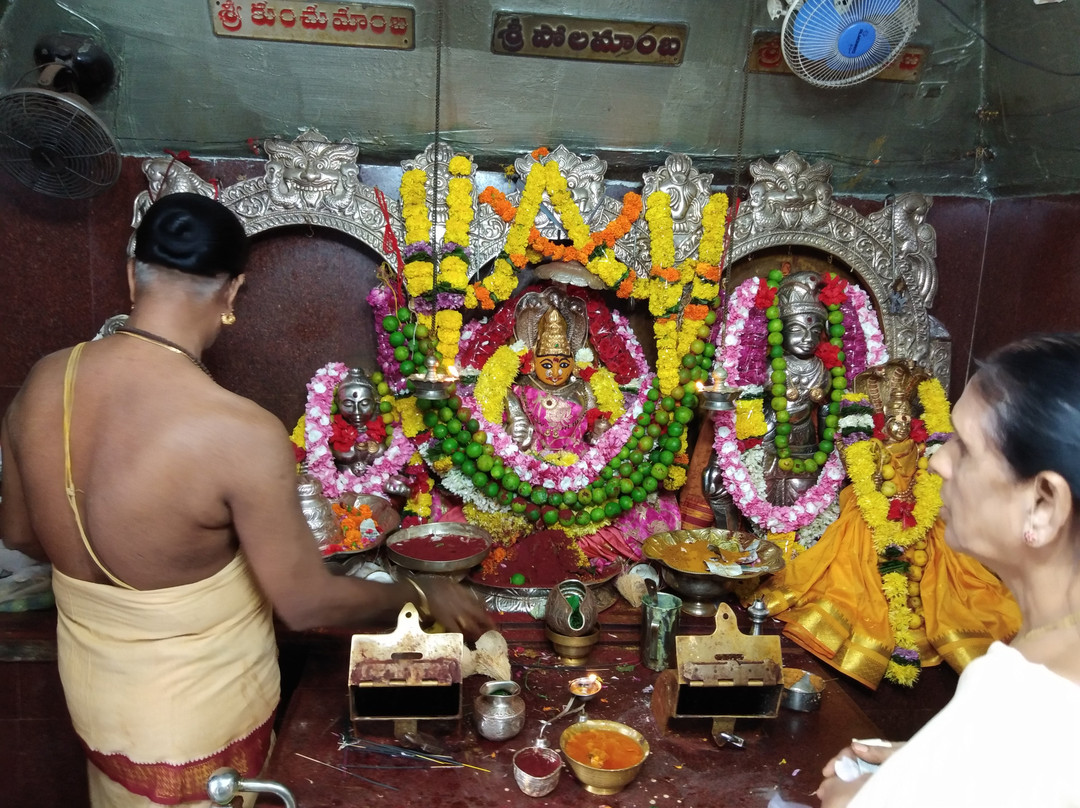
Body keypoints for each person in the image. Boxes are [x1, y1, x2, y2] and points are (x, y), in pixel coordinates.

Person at [0, 192, 493, 807]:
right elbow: (305, 602)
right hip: (196, 733)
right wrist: (424, 594)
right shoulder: (238, 430)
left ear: (131, 275)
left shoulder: (45, 380)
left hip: (98, 710)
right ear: (233, 291)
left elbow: (20, 533)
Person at [815, 334, 1080, 807]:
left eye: (965, 447)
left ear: (1043, 504)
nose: (937, 461)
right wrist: (933, 763)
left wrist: (860, 803)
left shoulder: (1026, 694)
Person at [752, 359, 1019, 689]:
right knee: (853, 564)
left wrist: (918, 494)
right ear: (884, 422)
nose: (902, 424)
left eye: (907, 418)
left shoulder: (922, 448)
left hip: (918, 513)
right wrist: (874, 477)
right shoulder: (875, 447)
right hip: (875, 512)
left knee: (946, 574)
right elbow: (863, 475)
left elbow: (930, 476)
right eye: (896, 418)